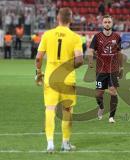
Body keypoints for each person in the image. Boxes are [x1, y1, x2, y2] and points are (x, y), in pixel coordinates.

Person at [35, 7, 83, 153]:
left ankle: (50, 144)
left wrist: (38, 73)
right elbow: (80, 60)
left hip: (50, 77)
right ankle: (65, 143)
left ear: (58, 18)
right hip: (67, 79)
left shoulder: (47, 35)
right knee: (67, 111)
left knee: (50, 109)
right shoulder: (75, 37)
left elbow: (38, 58)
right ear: (71, 20)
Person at [88, 14, 123, 123]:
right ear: (102, 24)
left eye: (109, 22)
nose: (107, 24)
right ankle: (102, 107)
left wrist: (121, 66)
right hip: (101, 70)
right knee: (98, 94)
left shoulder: (117, 37)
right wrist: (90, 61)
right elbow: (91, 50)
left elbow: (119, 53)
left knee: (113, 92)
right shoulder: (97, 36)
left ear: (112, 24)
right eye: (105, 22)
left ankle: (111, 117)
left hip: (113, 70)